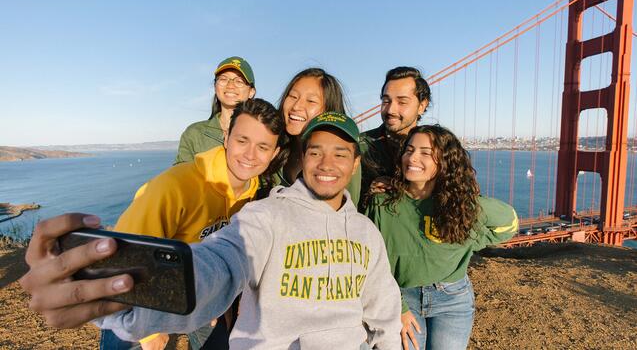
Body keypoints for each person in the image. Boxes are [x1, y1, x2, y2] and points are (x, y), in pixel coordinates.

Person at [19, 112, 402, 350]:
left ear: (354, 167)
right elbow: (217, 264)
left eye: (340, 154)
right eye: (316, 151)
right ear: (301, 159)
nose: (326, 163)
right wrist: (118, 289)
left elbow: (382, 312)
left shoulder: (366, 233)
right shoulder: (264, 216)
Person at [103, 98, 287, 350]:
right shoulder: (175, 187)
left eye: (263, 147)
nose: (250, 155)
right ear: (226, 138)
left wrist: (213, 299)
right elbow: (124, 257)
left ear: (274, 153)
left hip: (194, 296)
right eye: (242, 141)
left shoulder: (252, 196)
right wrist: (148, 333)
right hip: (137, 302)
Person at [364, 124, 519, 350]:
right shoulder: (383, 202)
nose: (413, 157)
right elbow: (372, 261)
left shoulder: (458, 207)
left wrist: (470, 228)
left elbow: (509, 222)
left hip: (453, 298)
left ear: (445, 162)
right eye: (409, 150)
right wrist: (399, 307)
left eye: (426, 153)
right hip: (402, 297)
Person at [266, 68, 361, 205]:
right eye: (293, 97)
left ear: (329, 111)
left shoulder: (344, 158)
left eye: (310, 101)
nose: (296, 106)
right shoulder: (273, 145)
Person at [359, 66, 431, 208]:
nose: (390, 110)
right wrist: (367, 194)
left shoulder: (439, 148)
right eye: (386, 101)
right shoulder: (357, 146)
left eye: (402, 102)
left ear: (422, 106)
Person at [175, 56, 257, 164]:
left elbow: (271, 178)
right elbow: (181, 176)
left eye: (239, 81)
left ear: (251, 92)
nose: (230, 85)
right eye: (223, 79)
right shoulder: (194, 134)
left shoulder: (262, 133)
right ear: (215, 86)